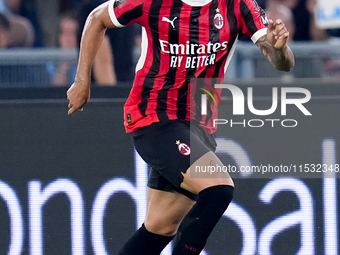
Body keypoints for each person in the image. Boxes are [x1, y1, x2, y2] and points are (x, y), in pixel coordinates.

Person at [67, 0, 294, 254]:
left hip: (199, 125)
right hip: (154, 115)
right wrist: (81, 80)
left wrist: (280, 49)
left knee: (159, 228)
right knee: (218, 189)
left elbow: (282, 62)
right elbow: (97, 17)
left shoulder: (238, 5)